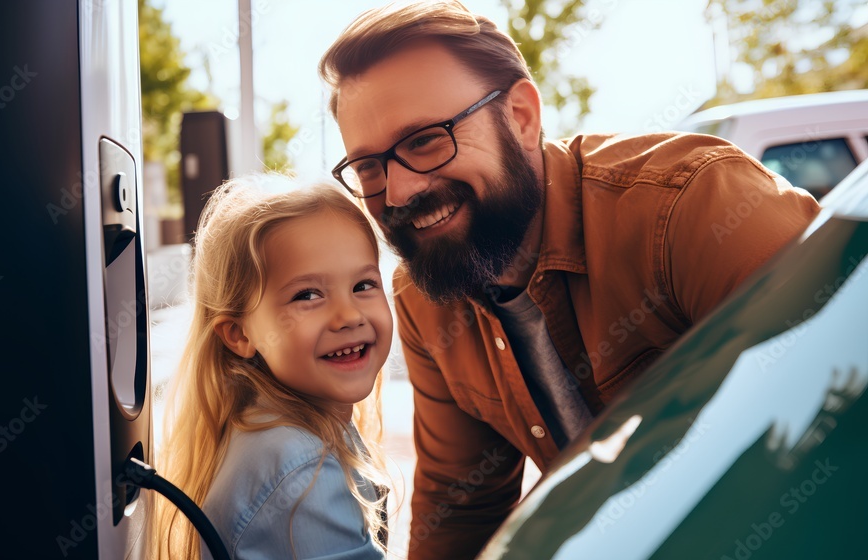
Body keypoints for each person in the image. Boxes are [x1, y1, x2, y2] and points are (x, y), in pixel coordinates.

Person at [318, 1, 821, 558]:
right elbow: (463, 509)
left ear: (521, 117)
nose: (399, 192)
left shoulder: (693, 205)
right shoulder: (425, 298)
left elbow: (832, 404)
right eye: (368, 167)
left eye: (426, 141)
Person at [152, 176, 393, 560]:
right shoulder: (300, 468)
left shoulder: (279, 428)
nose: (349, 315)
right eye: (308, 295)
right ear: (238, 334)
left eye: (364, 284)